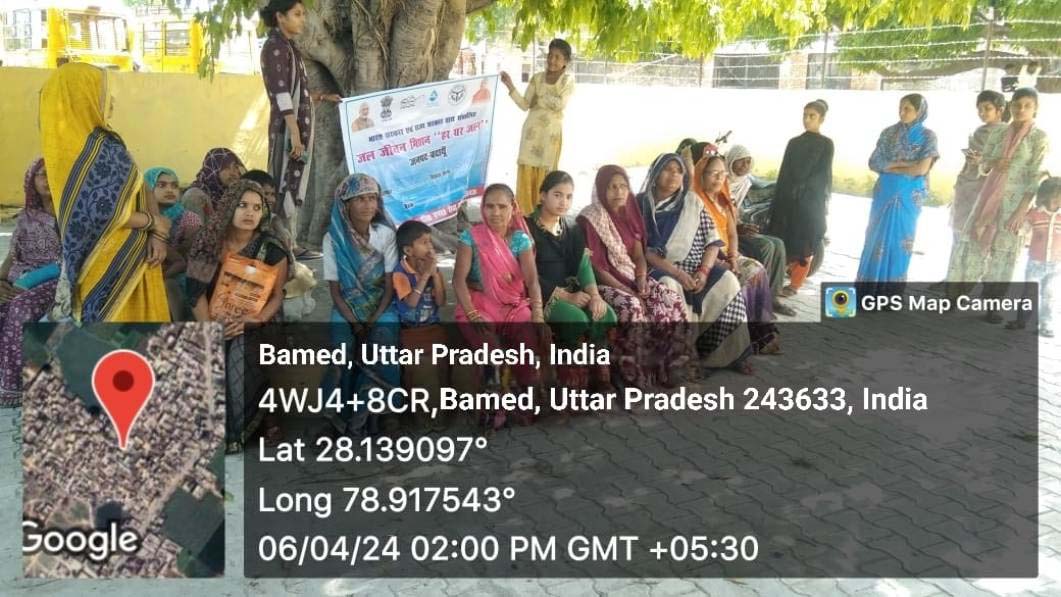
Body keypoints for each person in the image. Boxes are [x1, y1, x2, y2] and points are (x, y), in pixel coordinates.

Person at [39, 63, 170, 324]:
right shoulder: (74, 151)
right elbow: (99, 214)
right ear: (81, 96)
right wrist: (154, 222)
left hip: (137, 258)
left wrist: (158, 234)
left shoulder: (106, 142)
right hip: (105, 265)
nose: (111, 101)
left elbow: (141, 185)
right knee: (113, 341)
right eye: (102, 91)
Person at [186, 180, 291, 452]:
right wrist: (212, 328)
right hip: (212, 318)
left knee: (238, 355)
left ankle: (236, 432)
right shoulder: (208, 243)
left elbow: (277, 296)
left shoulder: (271, 249)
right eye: (243, 205)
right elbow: (195, 292)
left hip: (258, 322)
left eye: (257, 207)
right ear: (228, 206)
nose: (250, 213)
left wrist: (254, 320)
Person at [636, 153, 755, 374]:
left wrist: (704, 270)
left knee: (727, 280)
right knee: (669, 286)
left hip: (696, 266)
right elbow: (642, 249)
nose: (674, 175)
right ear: (656, 172)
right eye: (668, 169)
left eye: (679, 171)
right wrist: (679, 274)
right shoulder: (640, 204)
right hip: (658, 267)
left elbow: (713, 242)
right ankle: (681, 358)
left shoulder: (692, 202)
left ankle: (729, 355)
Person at [578, 165, 689, 388]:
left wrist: (641, 279)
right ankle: (631, 376)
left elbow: (638, 255)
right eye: (612, 187)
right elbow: (597, 268)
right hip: (604, 284)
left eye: (623, 186)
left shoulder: (629, 212)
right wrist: (629, 291)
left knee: (670, 299)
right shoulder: (591, 218)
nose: (619, 192)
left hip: (631, 275)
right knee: (633, 307)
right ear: (601, 189)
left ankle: (668, 367)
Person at [947, 88, 1049, 321]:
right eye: (1017, 105)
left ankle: (993, 306)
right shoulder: (1000, 132)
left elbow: (1035, 177)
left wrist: (1021, 211)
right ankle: (956, 296)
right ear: (1010, 107)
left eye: (1027, 105)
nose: (1021, 109)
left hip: (1014, 205)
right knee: (972, 245)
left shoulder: (1039, 138)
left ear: (1035, 109)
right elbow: (984, 164)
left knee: (1004, 255)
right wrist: (994, 163)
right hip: (987, 199)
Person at [453, 183, 544, 428]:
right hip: (478, 305)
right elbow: (458, 281)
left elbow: (532, 280)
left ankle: (526, 403)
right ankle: (492, 410)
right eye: (490, 206)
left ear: (513, 208)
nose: (496, 212)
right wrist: (472, 315)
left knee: (527, 341)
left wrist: (537, 313)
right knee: (489, 350)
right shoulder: (471, 237)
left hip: (512, 306)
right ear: (482, 208)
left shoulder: (520, 240)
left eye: (502, 207)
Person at [259, 0, 342, 261]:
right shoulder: (274, 47)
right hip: (287, 132)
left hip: (296, 131)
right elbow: (281, 93)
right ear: (280, 16)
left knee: (293, 186)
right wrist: (294, 132)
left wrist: (323, 97)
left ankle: (290, 241)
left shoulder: (288, 47)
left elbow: (299, 92)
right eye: (297, 14)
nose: (302, 19)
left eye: (303, 14)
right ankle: (284, 243)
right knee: (284, 184)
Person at [322, 173, 400, 437]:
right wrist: (356, 323)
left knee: (385, 336)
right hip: (347, 306)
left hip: (381, 304)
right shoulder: (333, 239)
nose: (368, 205)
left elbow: (389, 285)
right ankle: (335, 416)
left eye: (372, 198)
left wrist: (373, 319)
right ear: (345, 204)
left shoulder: (386, 235)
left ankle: (386, 412)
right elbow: (335, 291)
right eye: (360, 199)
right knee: (340, 346)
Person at [525, 171, 617, 391]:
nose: (563, 202)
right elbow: (526, 273)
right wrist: (565, 296)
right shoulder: (526, 228)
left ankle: (599, 377)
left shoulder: (572, 228)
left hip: (572, 290)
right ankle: (572, 383)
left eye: (568, 196)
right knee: (575, 319)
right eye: (557, 195)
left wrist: (594, 296)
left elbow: (583, 266)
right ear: (542, 196)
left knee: (605, 313)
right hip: (541, 295)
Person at [692, 155, 779, 348]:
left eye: (722, 174)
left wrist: (732, 257)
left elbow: (732, 234)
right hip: (704, 256)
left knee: (756, 269)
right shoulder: (694, 202)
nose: (718, 178)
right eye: (713, 173)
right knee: (746, 275)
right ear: (701, 175)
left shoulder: (723, 202)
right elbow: (695, 242)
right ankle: (738, 339)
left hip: (727, 253)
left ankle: (758, 334)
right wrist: (721, 261)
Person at [856, 93, 939, 291]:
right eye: (900, 108)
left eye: (907, 109)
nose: (902, 112)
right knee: (875, 238)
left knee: (900, 241)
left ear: (919, 111)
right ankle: (867, 289)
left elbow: (922, 169)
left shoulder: (928, 136)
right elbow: (874, 162)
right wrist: (904, 164)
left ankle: (890, 293)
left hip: (908, 197)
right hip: (885, 193)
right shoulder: (888, 133)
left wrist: (891, 166)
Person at [0, 159, 60, 406]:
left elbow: (69, 261)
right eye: (41, 174)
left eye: (53, 173)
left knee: (20, 309)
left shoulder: (70, 216)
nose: (47, 179)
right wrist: (0, 281)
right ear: (31, 180)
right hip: (21, 277)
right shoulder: (26, 218)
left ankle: (13, 387)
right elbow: (12, 256)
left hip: (58, 279)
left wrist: (29, 281)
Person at [500, 38, 575, 214]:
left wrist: (539, 97)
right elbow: (525, 104)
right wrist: (510, 85)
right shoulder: (537, 78)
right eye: (550, 55)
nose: (552, 60)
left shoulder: (567, 81)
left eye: (557, 57)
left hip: (550, 138)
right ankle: (525, 218)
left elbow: (559, 104)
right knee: (526, 171)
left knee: (546, 177)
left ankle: (544, 219)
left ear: (565, 61)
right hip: (530, 135)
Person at [767, 99, 835, 296]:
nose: (807, 119)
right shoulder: (794, 142)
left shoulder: (826, 144)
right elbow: (784, 173)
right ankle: (775, 281)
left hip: (809, 202)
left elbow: (823, 174)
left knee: (806, 241)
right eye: (805, 115)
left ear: (821, 119)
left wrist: (805, 190)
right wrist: (783, 196)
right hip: (788, 199)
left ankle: (794, 285)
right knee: (783, 237)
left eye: (812, 116)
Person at [393, 220, 449, 431]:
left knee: (441, 369)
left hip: (433, 329)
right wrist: (425, 276)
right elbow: (410, 304)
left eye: (430, 242)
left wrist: (435, 275)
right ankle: (425, 419)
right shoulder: (400, 273)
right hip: (411, 333)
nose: (430, 247)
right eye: (424, 243)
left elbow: (441, 302)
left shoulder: (433, 270)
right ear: (408, 250)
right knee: (421, 371)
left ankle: (438, 415)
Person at [725, 145, 794, 315]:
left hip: (736, 227)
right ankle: (758, 299)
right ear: (731, 160)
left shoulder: (744, 183)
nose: (745, 165)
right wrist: (738, 227)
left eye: (748, 161)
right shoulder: (721, 180)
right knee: (766, 246)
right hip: (726, 231)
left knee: (778, 243)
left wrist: (742, 224)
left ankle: (773, 297)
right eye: (741, 161)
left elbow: (735, 211)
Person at [145, 167, 201, 321]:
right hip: (148, 274)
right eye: (161, 185)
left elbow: (188, 262)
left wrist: (162, 276)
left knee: (169, 285)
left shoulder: (190, 220)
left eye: (174, 186)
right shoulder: (142, 219)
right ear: (148, 189)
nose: (170, 190)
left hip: (179, 276)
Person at [1007, 178, 1061, 337]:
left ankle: (1046, 325)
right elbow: (1023, 229)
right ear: (1045, 196)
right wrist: (1018, 229)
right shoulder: (1035, 214)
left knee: (1050, 296)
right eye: (1055, 196)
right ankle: (1021, 321)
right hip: (1035, 262)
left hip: (1056, 264)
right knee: (1029, 293)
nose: (1057, 200)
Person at [181, 148, 246, 220]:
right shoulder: (195, 196)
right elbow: (195, 227)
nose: (233, 173)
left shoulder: (230, 196)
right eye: (226, 168)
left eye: (235, 167)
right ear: (213, 169)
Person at [242, 169, 294, 250]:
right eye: (266, 194)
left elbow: (274, 218)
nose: (272, 200)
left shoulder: (270, 222)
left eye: (272, 194)